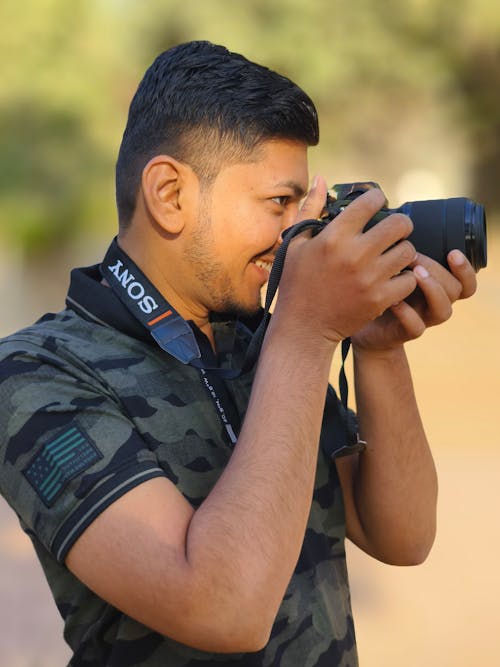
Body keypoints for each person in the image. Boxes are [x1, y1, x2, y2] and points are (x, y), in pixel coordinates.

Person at [0, 40, 477, 666]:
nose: (297, 236)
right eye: (281, 204)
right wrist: (306, 334)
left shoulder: (257, 343)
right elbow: (222, 608)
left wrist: (375, 346)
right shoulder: (38, 373)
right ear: (170, 195)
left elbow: (404, 535)